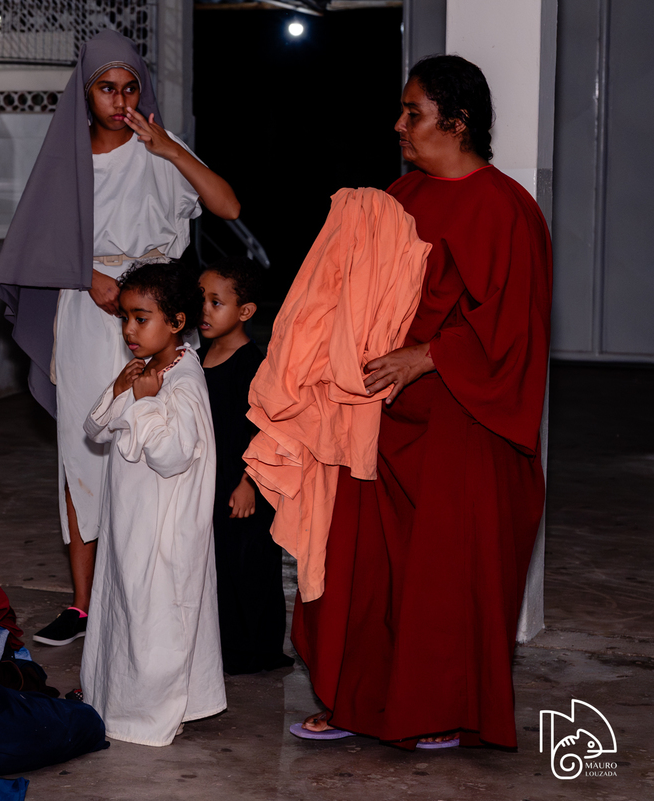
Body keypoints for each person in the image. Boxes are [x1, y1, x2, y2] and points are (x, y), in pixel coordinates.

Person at [291, 55, 552, 749]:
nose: (399, 124)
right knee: (365, 564)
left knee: (441, 574)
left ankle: (438, 710)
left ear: (457, 124)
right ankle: (358, 700)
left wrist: (428, 355)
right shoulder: (400, 194)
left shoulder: (507, 210)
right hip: (381, 412)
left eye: (413, 113)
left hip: (462, 422)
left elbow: (514, 328)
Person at [0, 31, 240, 647]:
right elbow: (29, 246)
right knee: (84, 453)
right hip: (86, 310)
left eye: (130, 87)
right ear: (86, 92)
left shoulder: (160, 149)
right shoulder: (66, 158)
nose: (120, 100)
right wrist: (89, 276)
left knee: (157, 439)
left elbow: (228, 207)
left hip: (155, 310)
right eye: (107, 88)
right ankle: (82, 606)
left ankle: (145, 592)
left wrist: (170, 150)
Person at [80, 262, 225, 747]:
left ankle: (152, 713)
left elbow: (171, 456)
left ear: (178, 322)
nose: (128, 330)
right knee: (126, 609)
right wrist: (124, 389)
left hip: (164, 529)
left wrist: (144, 403)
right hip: (130, 523)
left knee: (157, 617)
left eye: (141, 318)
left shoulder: (184, 382)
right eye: (125, 318)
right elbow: (96, 429)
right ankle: (115, 700)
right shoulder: (142, 372)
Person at [198, 258, 294, 674]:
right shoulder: (197, 357)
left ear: (245, 311)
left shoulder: (253, 365)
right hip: (210, 483)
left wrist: (249, 483)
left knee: (249, 567)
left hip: (245, 486)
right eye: (200, 298)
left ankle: (256, 651)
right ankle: (221, 644)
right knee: (216, 565)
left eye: (215, 301)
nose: (203, 308)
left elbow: (268, 431)